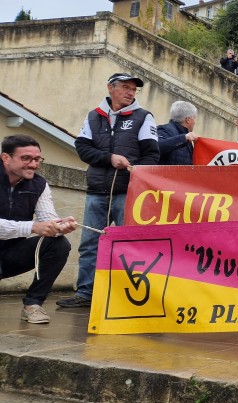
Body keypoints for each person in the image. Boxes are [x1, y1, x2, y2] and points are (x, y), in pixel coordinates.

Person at [58, 73, 160, 309]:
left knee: (129, 245)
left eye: (134, 89)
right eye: (125, 87)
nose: (130, 93)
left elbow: (152, 155)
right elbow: (82, 148)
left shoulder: (144, 117)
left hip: (128, 193)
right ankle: (86, 293)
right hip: (96, 191)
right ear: (110, 88)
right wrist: (109, 158)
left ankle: (128, 296)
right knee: (89, 244)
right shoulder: (94, 116)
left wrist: (133, 173)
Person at [0, 135, 77, 323]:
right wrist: (34, 227)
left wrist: (60, 226)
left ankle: (33, 304)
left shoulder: (39, 184)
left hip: (9, 254)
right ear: (6, 158)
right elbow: (36, 226)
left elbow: (47, 220)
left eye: (37, 159)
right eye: (26, 158)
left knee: (58, 244)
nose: (34, 165)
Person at [157, 101, 199, 165]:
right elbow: (156, 146)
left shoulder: (187, 138)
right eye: (194, 119)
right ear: (188, 120)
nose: (195, 122)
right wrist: (184, 138)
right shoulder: (164, 129)